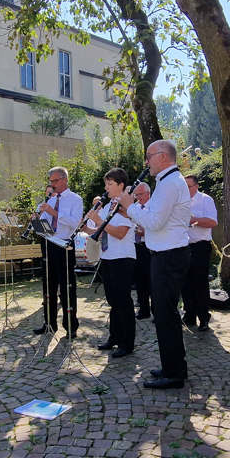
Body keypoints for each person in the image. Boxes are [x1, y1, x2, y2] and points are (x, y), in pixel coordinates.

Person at [118, 140, 191, 389]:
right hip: (166, 254)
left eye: (148, 156)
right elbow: (157, 222)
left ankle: (174, 373)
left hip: (169, 256)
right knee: (165, 313)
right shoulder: (167, 181)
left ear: (162, 156)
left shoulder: (170, 183)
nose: (146, 161)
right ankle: (175, 365)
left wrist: (129, 207)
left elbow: (156, 221)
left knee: (164, 314)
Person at [81, 169, 136, 358]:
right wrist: (84, 226)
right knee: (113, 301)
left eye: (110, 184)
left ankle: (127, 343)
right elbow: (98, 232)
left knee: (123, 301)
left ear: (121, 185)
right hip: (107, 257)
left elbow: (120, 232)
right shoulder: (106, 207)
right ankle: (115, 337)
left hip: (123, 257)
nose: (106, 188)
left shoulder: (127, 205)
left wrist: (99, 220)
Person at [33, 166, 83, 336]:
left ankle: (70, 326)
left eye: (55, 181)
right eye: (51, 182)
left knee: (67, 287)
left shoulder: (75, 200)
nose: (53, 185)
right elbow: (45, 226)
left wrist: (54, 212)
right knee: (48, 287)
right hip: (48, 245)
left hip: (64, 246)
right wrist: (37, 221)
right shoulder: (50, 200)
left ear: (64, 180)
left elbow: (75, 223)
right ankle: (49, 323)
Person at [180, 175, 217, 331]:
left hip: (200, 246)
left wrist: (192, 220)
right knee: (185, 283)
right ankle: (189, 314)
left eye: (187, 186)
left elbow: (212, 222)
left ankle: (204, 317)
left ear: (196, 186)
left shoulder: (205, 200)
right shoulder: (180, 201)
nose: (185, 190)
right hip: (182, 246)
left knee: (200, 283)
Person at [132, 182, 152, 320]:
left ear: (148, 193)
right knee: (140, 280)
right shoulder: (135, 208)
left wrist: (146, 232)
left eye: (140, 194)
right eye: (136, 195)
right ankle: (143, 309)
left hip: (149, 247)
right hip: (136, 247)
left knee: (152, 281)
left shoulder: (154, 207)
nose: (138, 197)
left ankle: (157, 311)